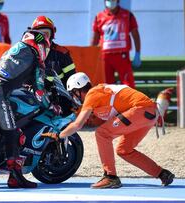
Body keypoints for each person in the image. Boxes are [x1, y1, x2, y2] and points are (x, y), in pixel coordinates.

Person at [41, 72, 175, 189]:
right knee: (124, 150)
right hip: (148, 113)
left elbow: (77, 124)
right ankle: (162, 174)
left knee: (102, 134)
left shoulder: (92, 94)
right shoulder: (98, 92)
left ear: (78, 89)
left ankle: (110, 177)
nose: (74, 97)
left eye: (73, 93)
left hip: (141, 110)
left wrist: (59, 135)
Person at [0, 29, 51, 188]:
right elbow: (39, 88)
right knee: (12, 131)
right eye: (46, 48)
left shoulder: (16, 50)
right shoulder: (35, 57)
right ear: (40, 46)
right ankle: (15, 176)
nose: (45, 52)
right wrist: (50, 105)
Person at [30, 15, 77, 115]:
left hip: (58, 98)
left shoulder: (62, 53)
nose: (43, 37)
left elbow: (72, 80)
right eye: (39, 34)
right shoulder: (29, 53)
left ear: (52, 33)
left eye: (46, 33)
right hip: (34, 96)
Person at [91, 0, 141, 88]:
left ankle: (129, 102)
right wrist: (91, 56)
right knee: (106, 86)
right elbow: (94, 39)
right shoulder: (99, 17)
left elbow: (135, 35)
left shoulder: (128, 15)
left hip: (122, 56)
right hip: (105, 57)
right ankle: (109, 102)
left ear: (117, 1)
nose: (111, 2)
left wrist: (137, 53)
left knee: (128, 84)